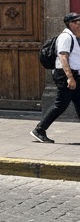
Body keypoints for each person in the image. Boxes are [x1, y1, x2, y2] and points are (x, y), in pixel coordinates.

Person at [31, 11, 80, 143]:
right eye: (76, 22)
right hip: (66, 75)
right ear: (69, 24)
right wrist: (70, 78)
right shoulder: (66, 37)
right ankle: (39, 130)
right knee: (60, 105)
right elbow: (63, 58)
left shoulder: (75, 36)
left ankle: (40, 129)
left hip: (75, 75)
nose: (79, 24)